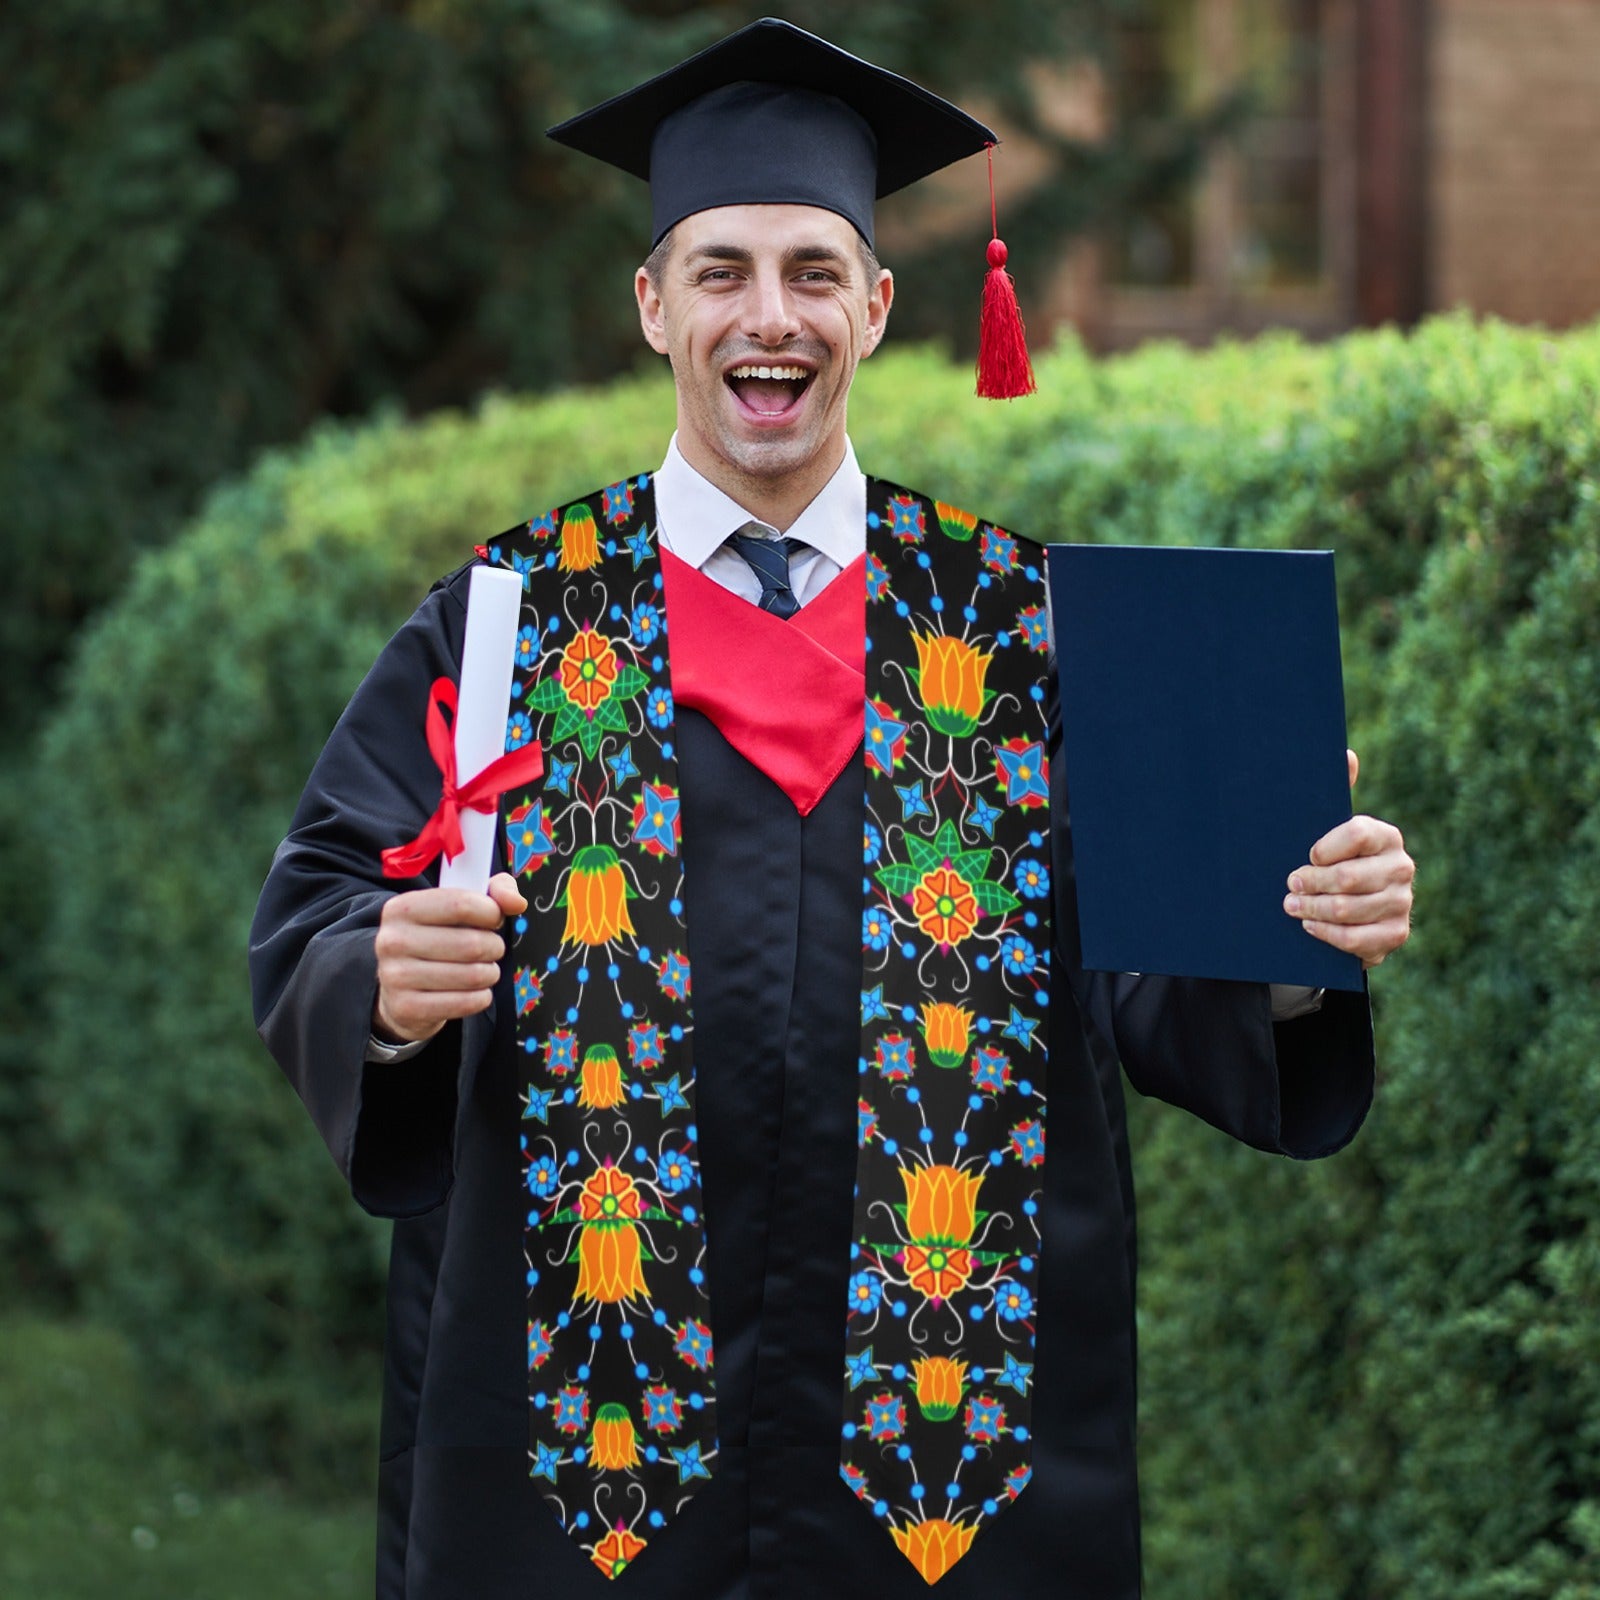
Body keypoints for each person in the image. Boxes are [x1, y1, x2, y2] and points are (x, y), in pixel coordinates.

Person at [249, 19, 1414, 1600]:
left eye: (812, 270)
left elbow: (1153, 978)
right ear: (654, 305)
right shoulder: (515, 624)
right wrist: (379, 985)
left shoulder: (1022, 629)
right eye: (721, 270)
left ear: (877, 305)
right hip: (586, 1466)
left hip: (953, 1460)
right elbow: (324, 901)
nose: (768, 316)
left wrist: (1293, 934)